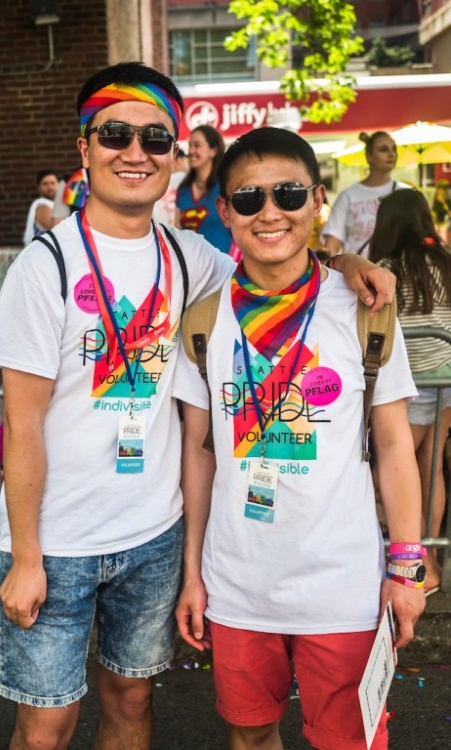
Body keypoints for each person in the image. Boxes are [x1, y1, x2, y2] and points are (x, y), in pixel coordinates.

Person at [0, 60, 396, 750]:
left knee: (131, 700)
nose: (135, 153)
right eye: (115, 134)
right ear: (84, 148)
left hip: (153, 536)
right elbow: (20, 423)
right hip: (56, 542)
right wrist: (26, 555)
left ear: (176, 154)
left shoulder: (191, 258)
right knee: (45, 726)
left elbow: (280, 252)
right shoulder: (45, 266)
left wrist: (350, 265)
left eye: (155, 138)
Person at [173, 127, 426, 750]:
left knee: (349, 743)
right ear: (225, 211)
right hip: (237, 584)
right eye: (250, 199)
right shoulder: (204, 321)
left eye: (287, 194)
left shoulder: (363, 308)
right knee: (250, 736)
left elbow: (395, 446)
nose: (271, 213)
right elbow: (198, 457)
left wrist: (409, 567)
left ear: (317, 200)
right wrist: (193, 573)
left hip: (342, 586)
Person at [370, 188, 451, 596]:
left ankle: (412, 563)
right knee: (431, 468)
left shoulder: (385, 268)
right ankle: (431, 563)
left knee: (393, 467)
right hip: (446, 380)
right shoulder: (445, 262)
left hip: (408, 386)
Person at [322, 130, 408, 257]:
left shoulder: (406, 194)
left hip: (398, 272)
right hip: (358, 273)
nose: (391, 154)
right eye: (383, 149)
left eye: (394, 149)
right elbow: (332, 244)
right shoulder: (348, 196)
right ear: (369, 156)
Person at [175, 124, 233, 253]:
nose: (191, 151)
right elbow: (178, 231)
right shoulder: (183, 189)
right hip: (192, 269)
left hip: (225, 268)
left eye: (197, 145)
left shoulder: (226, 186)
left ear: (214, 151)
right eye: (190, 145)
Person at [22, 169, 59, 246]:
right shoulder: (42, 206)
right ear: (38, 187)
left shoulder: (54, 205)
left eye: (53, 183)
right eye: (45, 184)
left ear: (58, 185)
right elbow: (58, 228)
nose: (50, 187)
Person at [153, 147, 188, 225]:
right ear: (179, 160)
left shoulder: (155, 183)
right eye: (186, 160)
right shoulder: (184, 178)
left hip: (160, 232)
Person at [431, 179, 450, 245]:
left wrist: (447, 209)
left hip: (446, 227)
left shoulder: (448, 202)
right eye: (443, 189)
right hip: (435, 227)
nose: (444, 191)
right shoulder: (433, 201)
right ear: (438, 190)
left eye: (445, 190)